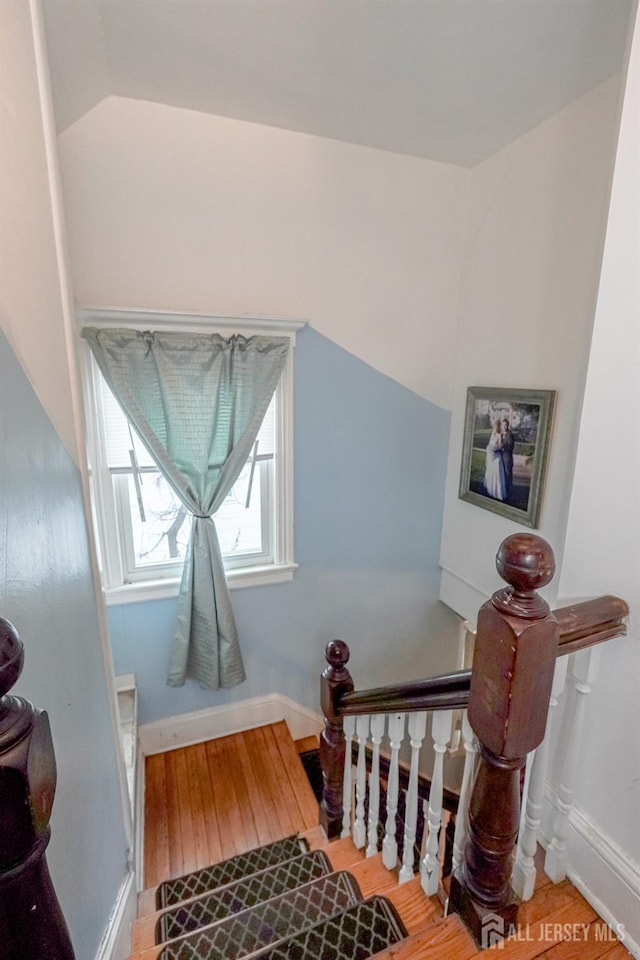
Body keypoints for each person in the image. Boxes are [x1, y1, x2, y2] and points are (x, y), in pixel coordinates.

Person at [483, 419, 508, 500]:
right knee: (490, 473)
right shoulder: (492, 434)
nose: (496, 428)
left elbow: (500, 446)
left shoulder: (499, 435)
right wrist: (490, 449)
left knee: (496, 474)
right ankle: (490, 491)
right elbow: (490, 444)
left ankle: (497, 493)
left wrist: (495, 448)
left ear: (498, 427)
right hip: (491, 457)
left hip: (497, 457)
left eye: (497, 426)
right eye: (495, 426)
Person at [500, 418, 514, 502]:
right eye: (503, 425)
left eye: (505, 425)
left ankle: (509, 494)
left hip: (507, 458)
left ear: (508, 425)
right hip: (502, 457)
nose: (504, 426)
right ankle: (504, 492)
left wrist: (503, 447)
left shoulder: (510, 434)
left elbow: (511, 447)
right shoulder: (502, 434)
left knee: (508, 475)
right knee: (503, 475)